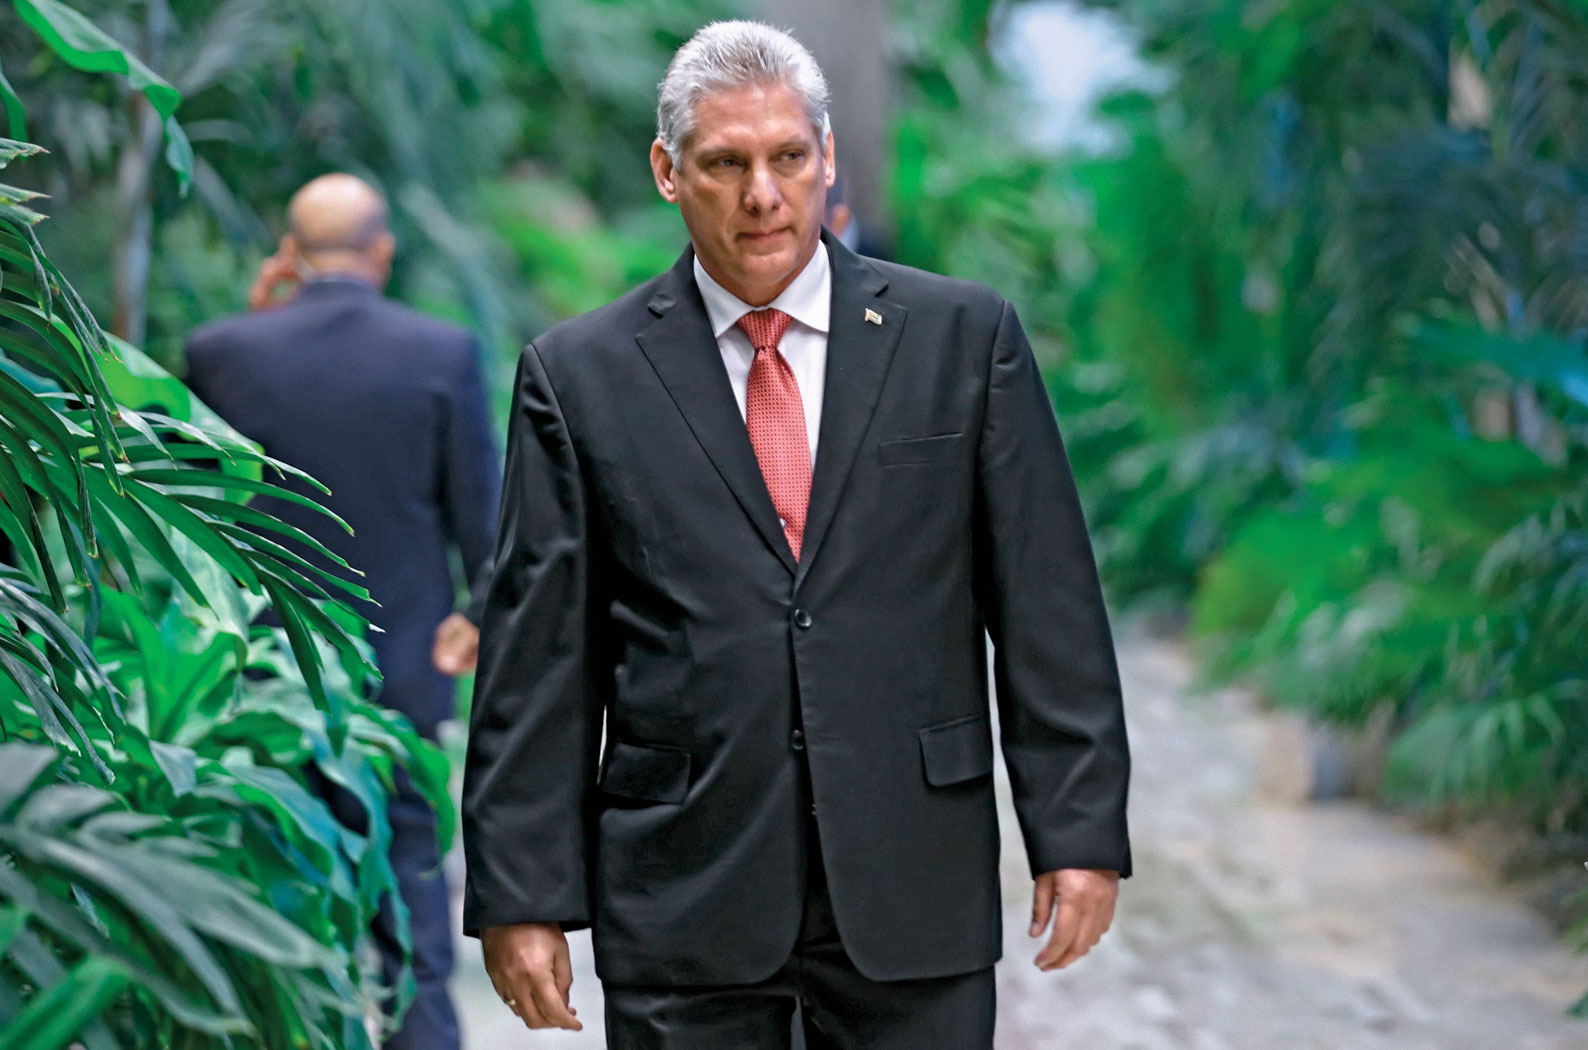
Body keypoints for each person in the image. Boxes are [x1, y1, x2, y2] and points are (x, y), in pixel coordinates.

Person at [463, 20, 1130, 1049]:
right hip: (684, 888)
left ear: (827, 159)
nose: (762, 195)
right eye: (725, 164)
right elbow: (539, 654)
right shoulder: (579, 376)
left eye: (786, 157)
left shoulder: (963, 342)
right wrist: (520, 895)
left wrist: (1076, 830)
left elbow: (1047, 605)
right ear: (668, 172)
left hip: (912, 875)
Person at [184, 173, 501, 1050]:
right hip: (402, 674)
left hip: (262, 679)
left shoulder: (222, 352)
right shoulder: (440, 352)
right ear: (382, 249)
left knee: (277, 881)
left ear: (289, 255)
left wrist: (252, 324)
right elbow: (486, 525)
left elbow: (193, 511)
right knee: (409, 878)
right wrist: (478, 615)